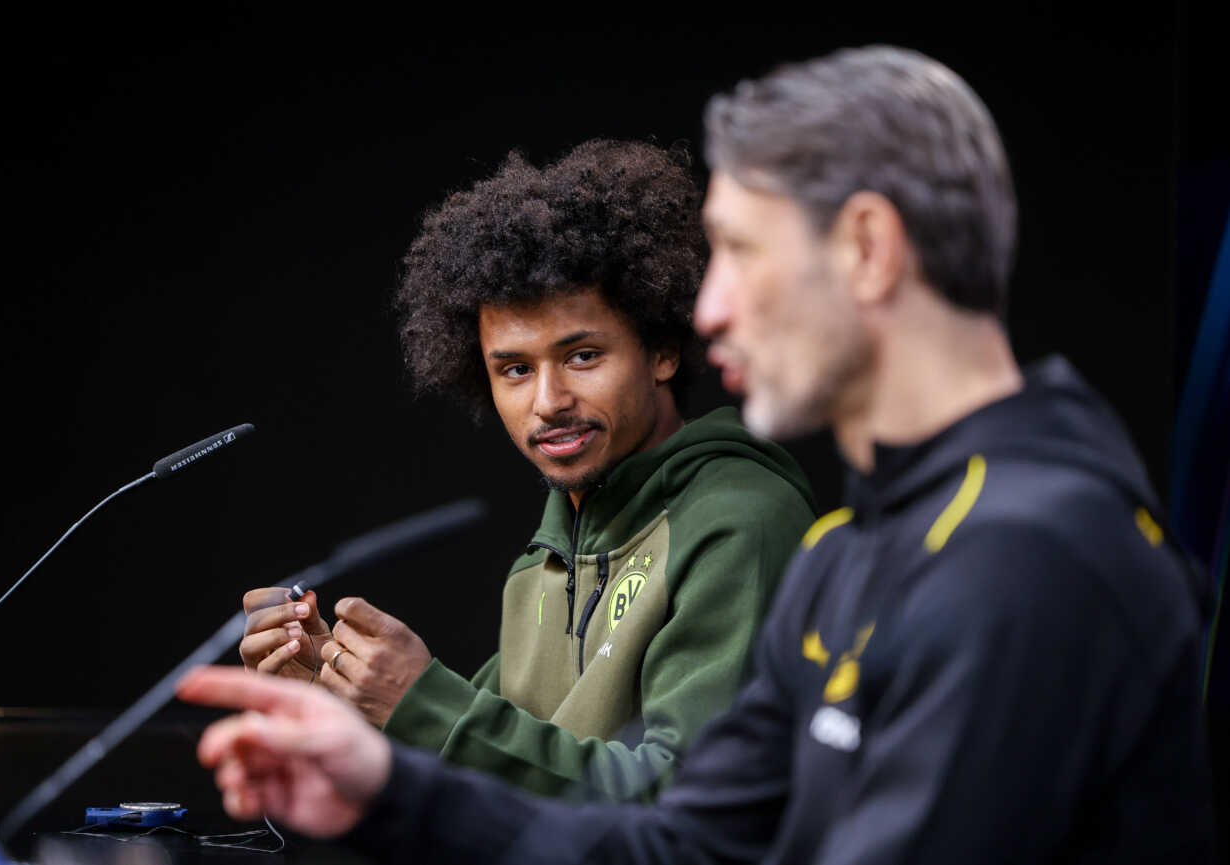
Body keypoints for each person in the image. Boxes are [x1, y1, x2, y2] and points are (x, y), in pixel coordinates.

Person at [180, 46, 1218, 862]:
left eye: (742, 254)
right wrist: (384, 788)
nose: (708, 309)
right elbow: (682, 844)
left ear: (864, 248)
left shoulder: (1026, 557)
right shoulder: (852, 552)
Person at [236, 139, 817, 801]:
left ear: (661, 350)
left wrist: (421, 705)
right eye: (515, 369)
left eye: (583, 355)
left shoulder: (740, 521)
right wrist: (339, 697)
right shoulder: (543, 564)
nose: (548, 402)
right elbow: (489, 785)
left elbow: (686, 804)